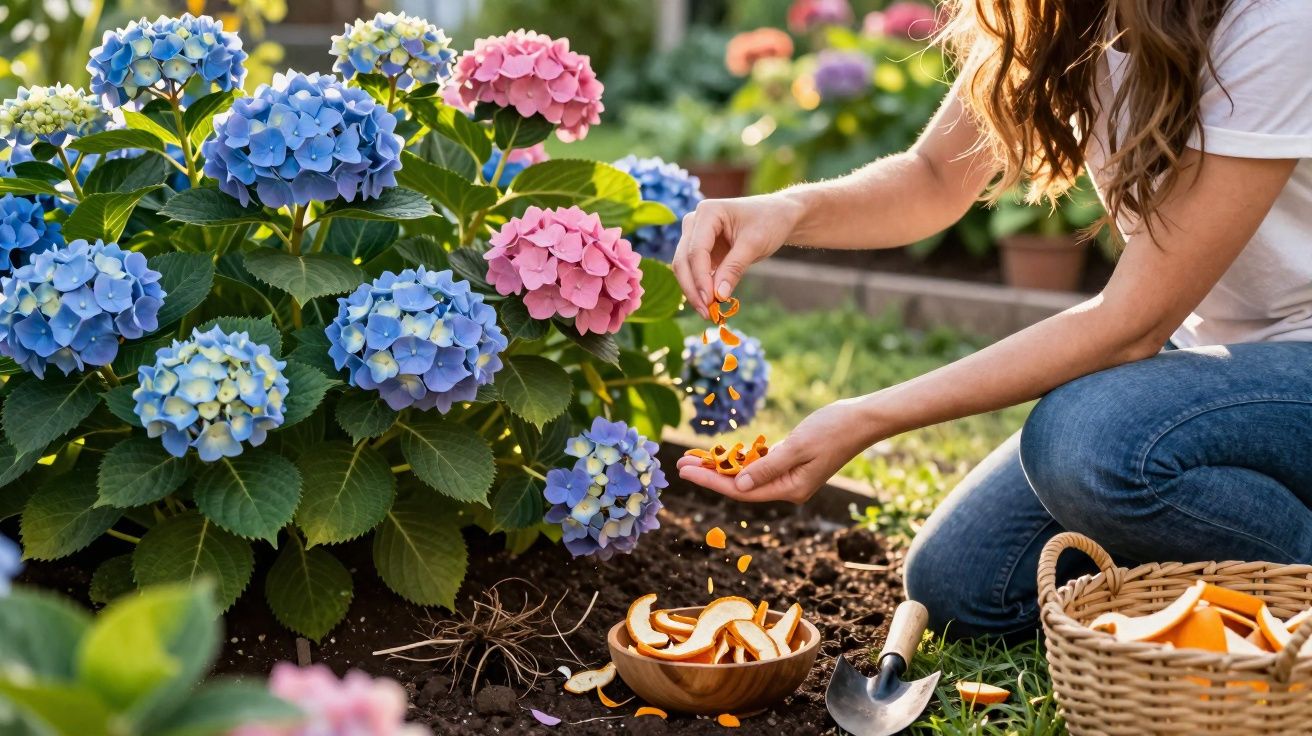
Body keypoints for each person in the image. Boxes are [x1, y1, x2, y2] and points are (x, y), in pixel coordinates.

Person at [672, 0, 1312, 638]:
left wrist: (865, 417)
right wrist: (785, 211)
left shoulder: (1274, 18)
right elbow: (930, 180)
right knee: (964, 583)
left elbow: (1131, 323)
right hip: (1212, 353)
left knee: (1087, 445)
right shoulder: (1053, 11)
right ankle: (1195, 581)